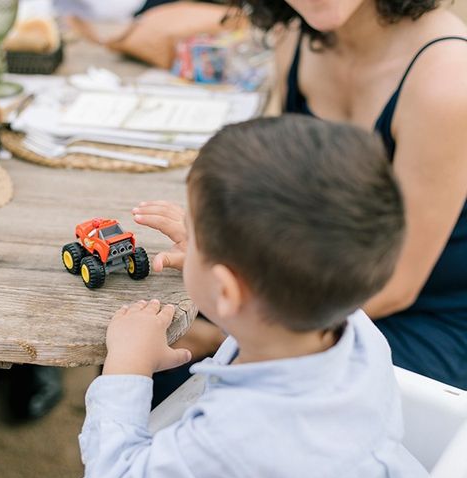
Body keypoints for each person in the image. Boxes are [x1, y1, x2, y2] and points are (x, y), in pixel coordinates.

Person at [136, 0, 467, 390]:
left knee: (191, 378)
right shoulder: (294, 41)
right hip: (309, 281)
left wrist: (227, 337)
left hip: (421, 316)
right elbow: (282, 196)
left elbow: (397, 287)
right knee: (143, 326)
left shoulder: (448, 81)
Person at [79, 115, 428, 478]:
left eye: (195, 236)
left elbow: (113, 474)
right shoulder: (356, 331)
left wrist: (127, 365)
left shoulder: (230, 438)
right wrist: (220, 261)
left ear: (228, 289)